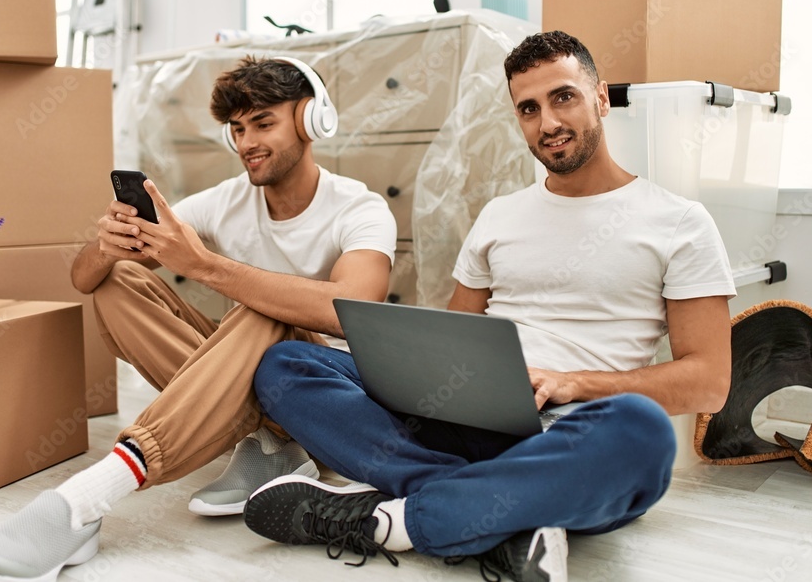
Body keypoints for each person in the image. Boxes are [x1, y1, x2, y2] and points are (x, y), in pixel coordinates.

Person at [242, 31, 736, 582]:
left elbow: (708, 381)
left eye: (563, 97)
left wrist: (574, 383)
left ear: (600, 97)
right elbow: (453, 334)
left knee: (642, 433)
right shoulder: (500, 215)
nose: (547, 123)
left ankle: (391, 519)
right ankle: (504, 510)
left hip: (573, 432)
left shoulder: (680, 222)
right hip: (469, 416)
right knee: (287, 364)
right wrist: (408, 360)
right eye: (529, 108)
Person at [0, 56, 397, 582]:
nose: (247, 142)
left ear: (311, 120)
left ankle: (86, 499)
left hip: (320, 392)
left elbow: (351, 312)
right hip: (246, 381)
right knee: (118, 281)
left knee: (263, 311)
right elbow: (84, 279)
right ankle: (264, 441)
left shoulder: (360, 208)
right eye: (237, 129)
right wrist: (107, 246)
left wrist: (206, 266)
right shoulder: (225, 200)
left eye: (263, 123)